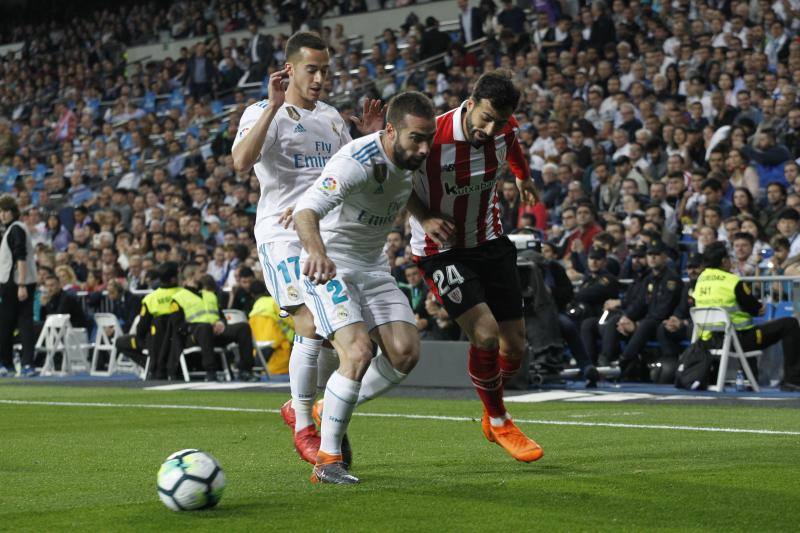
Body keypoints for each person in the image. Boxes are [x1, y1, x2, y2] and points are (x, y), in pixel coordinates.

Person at [231, 31, 384, 464]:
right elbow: (241, 162)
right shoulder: (263, 111)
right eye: (311, 70)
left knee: (340, 332)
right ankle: (303, 426)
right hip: (280, 238)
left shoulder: (334, 118)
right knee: (310, 322)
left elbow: (348, 175)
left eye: (325, 70)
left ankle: (302, 407)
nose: (319, 78)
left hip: (324, 234)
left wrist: (369, 140)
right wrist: (276, 105)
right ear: (289, 69)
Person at [293, 91, 436, 484]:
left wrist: (427, 218)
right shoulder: (354, 162)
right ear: (392, 131)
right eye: (416, 139)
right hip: (332, 266)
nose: (425, 149)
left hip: (374, 267)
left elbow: (401, 190)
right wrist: (318, 253)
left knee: (406, 353)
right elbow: (307, 211)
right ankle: (327, 460)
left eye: (429, 139)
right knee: (357, 352)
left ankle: (326, 407)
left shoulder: (409, 156)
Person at [406, 72, 544, 463]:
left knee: (514, 347)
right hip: (440, 251)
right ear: (469, 103)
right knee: (484, 334)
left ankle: (491, 404)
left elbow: (513, 143)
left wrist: (523, 176)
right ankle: (499, 419)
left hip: (490, 240)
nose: (490, 128)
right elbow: (395, 179)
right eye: (484, 117)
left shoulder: (505, 127)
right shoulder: (431, 138)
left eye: (498, 121)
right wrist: (425, 216)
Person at [693, 241, 800, 391]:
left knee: (749, 330)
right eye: (729, 258)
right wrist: (759, 308)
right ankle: (792, 381)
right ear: (724, 261)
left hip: (708, 340)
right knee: (790, 324)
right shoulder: (732, 281)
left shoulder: (701, 279)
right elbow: (756, 310)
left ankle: (750, 380)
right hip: (739, 340)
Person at [169, 264, 257, 382]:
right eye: (201, 272)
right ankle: (211, 372)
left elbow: (221, 316)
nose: (204, 274)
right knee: (204, 328)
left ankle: (246, 370)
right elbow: (178, 325)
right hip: (193, 336)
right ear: (192, 276)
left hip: (215, 333)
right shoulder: (178, 297)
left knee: (243, 327)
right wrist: (203, 327)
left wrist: (221, 323)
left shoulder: (210, 295)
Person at [115, 261, 181, 378]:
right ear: (174, 279)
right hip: (180, 340)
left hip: (154, 343)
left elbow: (142, 327)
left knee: (120, 342)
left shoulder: (150, 299)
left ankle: (150, 364)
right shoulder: (185, 294)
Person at [0, 195, 36, 377]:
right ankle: (27, 364)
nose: (3, 214)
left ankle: (6, 364)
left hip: (15, 283)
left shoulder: (15, 229)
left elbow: (20, 256)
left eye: (6, 210)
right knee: (24, 323)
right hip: (22, 282)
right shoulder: (16, 229)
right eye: (1, 211)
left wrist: (21, 283)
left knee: (7, 324)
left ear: (13, 212)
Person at [656, 253, 702, 361]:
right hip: (687, 324)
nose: (692, 271)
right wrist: (675, 318)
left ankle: (696, 364)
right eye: (689, 268)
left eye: (696, 267)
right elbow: (681, 308)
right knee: (663, 328)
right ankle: (671, 363)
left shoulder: (707, 285)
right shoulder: (688, 286)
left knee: (692, 328)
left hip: (700, 326)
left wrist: (684, 322)